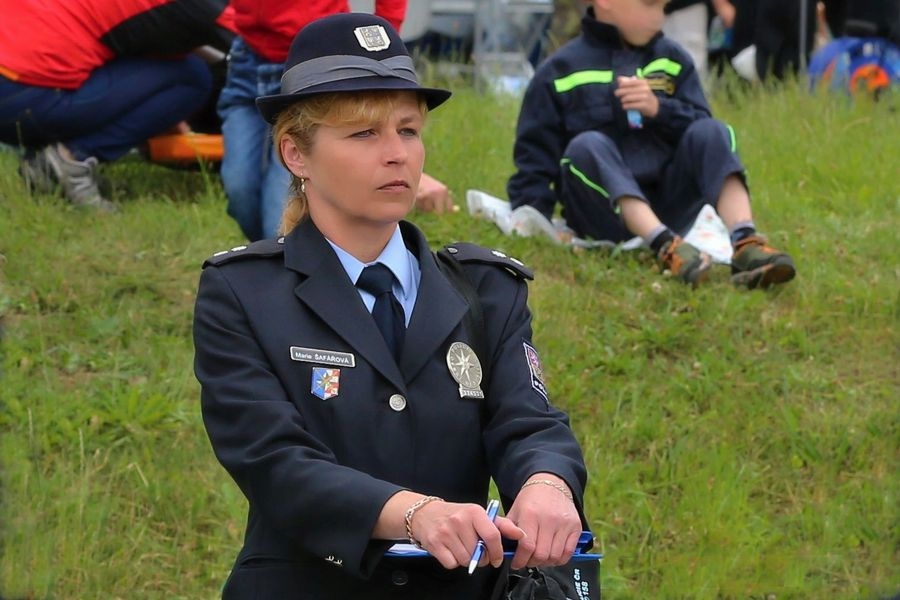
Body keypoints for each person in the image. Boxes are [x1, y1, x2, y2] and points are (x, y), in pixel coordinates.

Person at [193, 12, 589, 599]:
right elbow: (273, 460)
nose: (396, 153)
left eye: (407, 130)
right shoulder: (244, 292)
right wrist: (411, 513)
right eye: (363, 134)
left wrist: (547, 484)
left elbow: (527, 421)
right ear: (296, 155)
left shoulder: (487, 287)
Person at [507, 0, 796, 289]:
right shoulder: (558, 71)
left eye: (663, 8)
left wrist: (660, 109)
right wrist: (532, 218)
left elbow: (700, 128)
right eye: (650, 6)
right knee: (587, 145)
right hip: (601, 214)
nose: (659, 18)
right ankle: (666, 247)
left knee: (714, 131)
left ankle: (746, 242)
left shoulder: (672, 60)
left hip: (671, 206)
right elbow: (534, 157)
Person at [217, 0, 455, 241]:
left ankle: (295, 261)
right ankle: (274, 262)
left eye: (408, 132)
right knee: (239, 188)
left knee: (276, 213)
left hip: (324, 64)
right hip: (248, 54)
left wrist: (380, 55)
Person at [0, 0, 234, 212]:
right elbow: (260, 47)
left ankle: (46, 165)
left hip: (15, 63)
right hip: (20, 92)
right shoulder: (204, 7)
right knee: (191, 78)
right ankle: (70, 159)